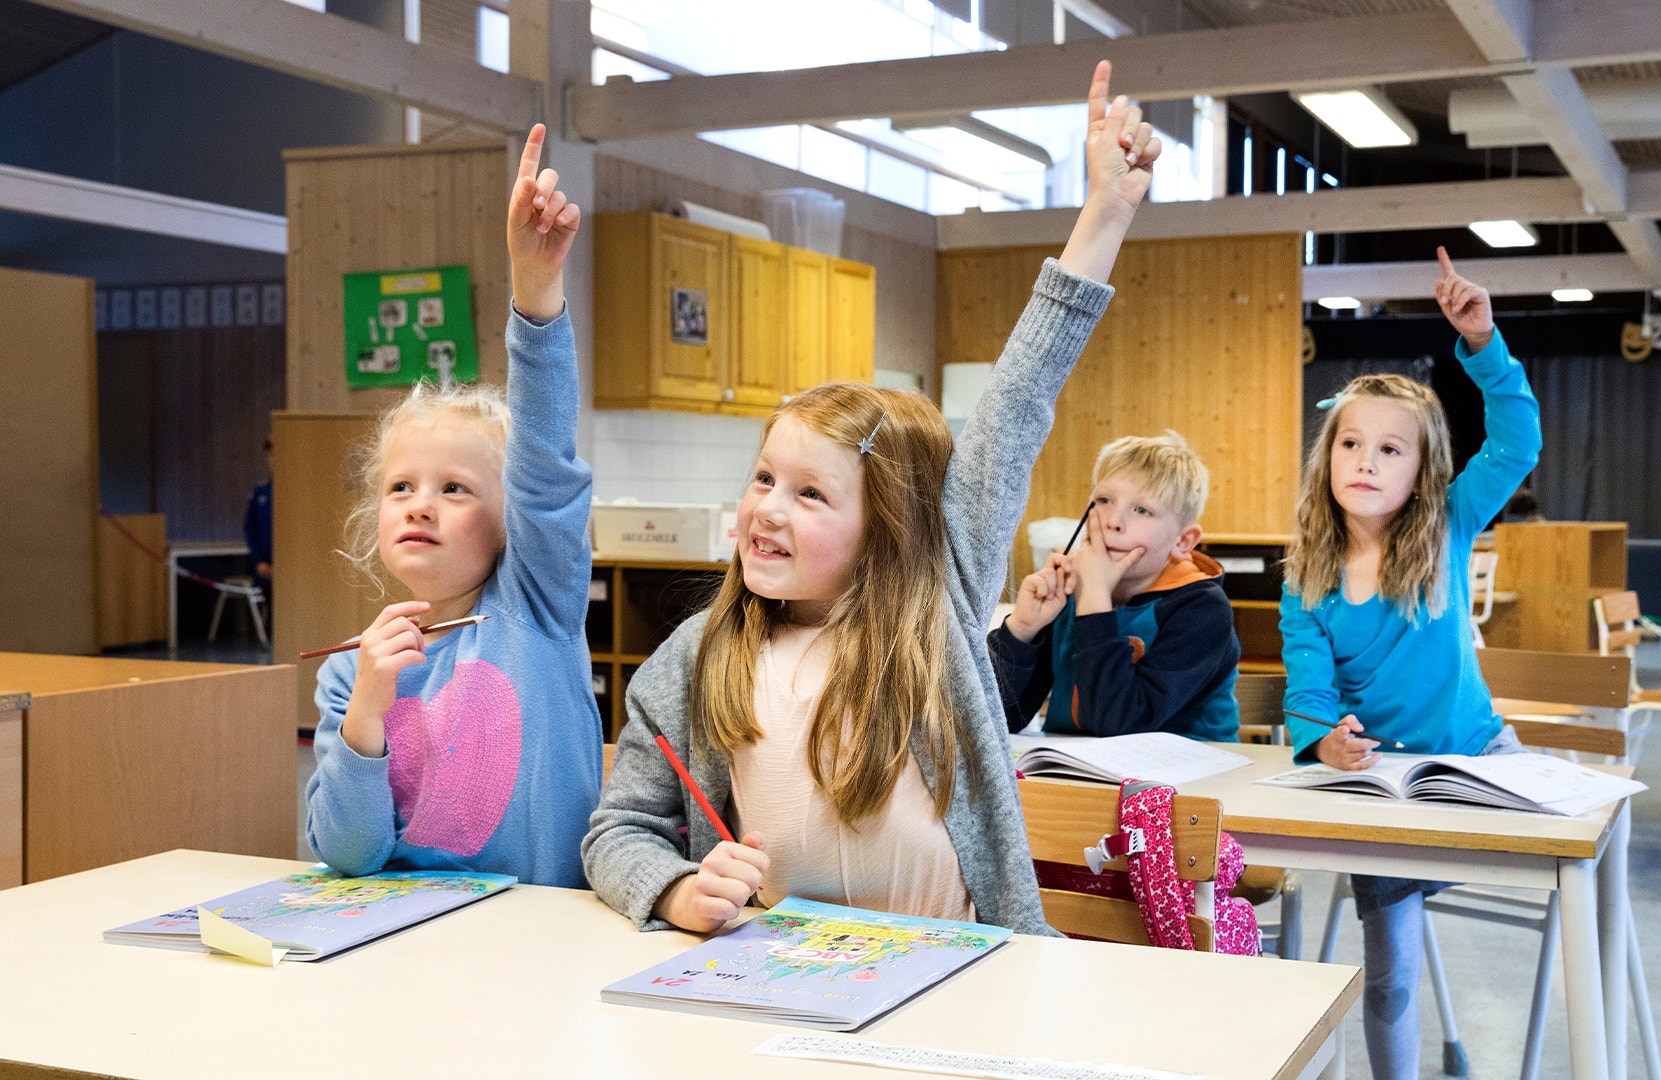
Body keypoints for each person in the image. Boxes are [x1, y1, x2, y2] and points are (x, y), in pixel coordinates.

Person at [582, 61, 1160, 935]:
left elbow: (1018, 399)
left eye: (811, 493)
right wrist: (669, 887)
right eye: (764, 479)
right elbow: (618, 827)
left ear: (888, 531)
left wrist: (1104, 216)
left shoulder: (935, 608)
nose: (767, 508)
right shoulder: (701, 654)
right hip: (777, 980)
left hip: (961, 978)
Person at [304, 124, 601, 888]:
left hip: (541, 943)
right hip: (417, 955)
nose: (420, 506)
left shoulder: (537, 600)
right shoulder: (349, 671)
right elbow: (346, 854)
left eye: (455, 489)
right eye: (400, 488)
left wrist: (534, 288)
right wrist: (366, 709)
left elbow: (543, 456)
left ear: (514, 520)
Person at [1279, 248, 1541, 1080]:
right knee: (1390, 978)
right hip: (1388, 785)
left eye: (1391, 450)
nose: (1365, 459)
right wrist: (1323, 742)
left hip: (1480, 760)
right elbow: (1309, 689)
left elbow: (1518, 442)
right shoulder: (1308, 578)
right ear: (1327, 459)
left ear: (1423, 470)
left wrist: (1484, 344)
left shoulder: (1451, 524)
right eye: (1350, 443)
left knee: (1579, 861)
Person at [987, 430, 1240, 741]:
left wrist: (1094, 598)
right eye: (1104, 500)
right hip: (1079, 775)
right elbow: (993, 718)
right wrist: (1023, 629)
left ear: (1183, 541)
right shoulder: (1069, 591)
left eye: (1142, 510)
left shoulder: (1202, 608)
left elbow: (1122, 725)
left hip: (1186, 780)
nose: (1113, 521)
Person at [244, 439, 273, 586]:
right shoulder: (260, 492)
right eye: (270, 454)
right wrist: (259, 560)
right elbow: (250, 529)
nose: (273, 459)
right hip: (265, 571)